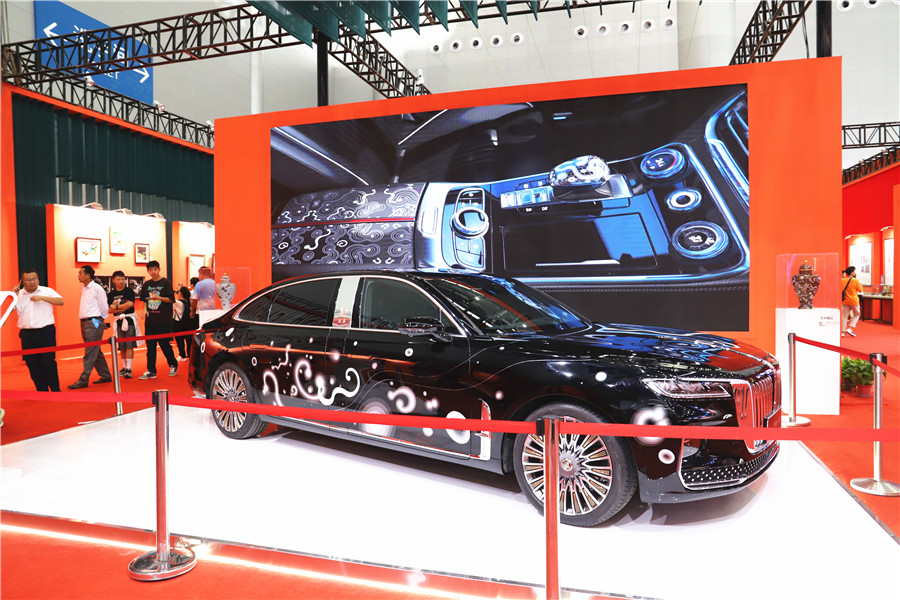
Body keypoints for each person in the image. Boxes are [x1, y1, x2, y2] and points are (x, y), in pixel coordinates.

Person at [13, 269, 64, 392]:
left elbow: (60, 301)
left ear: (38, 279)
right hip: (27, 334)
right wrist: (13, 296)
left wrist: (42, 298)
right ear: (22, 281)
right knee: (32, 363)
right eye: (28, 280)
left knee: (48, 362)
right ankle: (41, 390)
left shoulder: (47, 291)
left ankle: (55, 389)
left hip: (46, 332)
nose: (32, 282)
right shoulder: (18, 295)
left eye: (34, 279)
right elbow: (8, 310)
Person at [68, 265, 112, 389]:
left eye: (80, 273)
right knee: (94, 349)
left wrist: (101, 321)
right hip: (85, 322)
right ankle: (105, 374)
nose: (78, 275)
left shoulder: (96, 288)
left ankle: (84, 379)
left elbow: (104, 306)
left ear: (88, 275)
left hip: (94, 321)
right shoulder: (85, 288)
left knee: (90, 350)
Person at [138, 260, 178, 379]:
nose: (153, 272)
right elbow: (145, 300)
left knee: (164, 344)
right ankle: (151, 370)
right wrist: (144, 310)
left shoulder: (166, 282)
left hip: (163, 319)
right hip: (150, 320)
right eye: (151, 270)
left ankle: (173, 364)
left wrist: (159, 297)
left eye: (155, 269)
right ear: (148, 271)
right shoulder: (147, 284)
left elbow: (171, 300)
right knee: (150, 346)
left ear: (159, 269)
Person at [107, 270, 141, 379]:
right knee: (121, 346)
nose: (121, 281)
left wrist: (116, 307)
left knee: (129, 345)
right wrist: (121, 307)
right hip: (118, 321)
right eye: (118, 279)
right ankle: (124, 367)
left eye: (122, 279)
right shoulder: (111, 294)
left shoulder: (129, 291)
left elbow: (130, 304)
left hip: (129, 320)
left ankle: (129, 368)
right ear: (113, 280)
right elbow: (109, 309)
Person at [172, 286, 196, 361]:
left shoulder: (177, 302)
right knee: (189, 341)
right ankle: (189, 354)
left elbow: (171, 303)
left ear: (181, 294)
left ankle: (182, 355)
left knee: (179, 341)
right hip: (188, 324)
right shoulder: (189, 302)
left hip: (178, 324)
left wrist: (172, 293)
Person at [841, 266, 864, 337]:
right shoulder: (855, 280)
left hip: (845, 300)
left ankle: (843, 332)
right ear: (852, 273)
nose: (855, 272)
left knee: (844, 316)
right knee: (857, 314)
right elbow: (860, 290)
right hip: (853, 300)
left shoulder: (843, 280)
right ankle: (850, 328)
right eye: (854, 271)